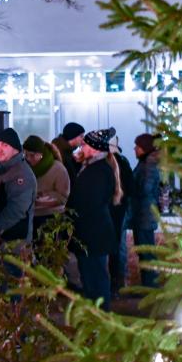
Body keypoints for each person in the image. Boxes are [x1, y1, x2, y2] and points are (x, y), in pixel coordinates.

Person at [67, 127, 122, 311]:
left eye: (85, 144)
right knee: (91, 277)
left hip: (93, 234)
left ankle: (100, 316)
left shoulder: (98, 171)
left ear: (95, 148)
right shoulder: (93, 168)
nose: (81, 147)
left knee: (95, 279)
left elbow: (88, 202)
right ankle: (96, 315)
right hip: (90, 233)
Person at [0, 127, 36, 252]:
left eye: (5, 145)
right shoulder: (6, 170)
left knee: (12, 271)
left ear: (15, 148)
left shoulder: (20, 173)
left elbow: (17, 209)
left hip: (12, 244)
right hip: (3, 241)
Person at [22, 135, 70, 240]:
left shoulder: (58, 169)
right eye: (26, 155)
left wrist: (39, 198)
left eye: (32, 155)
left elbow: (63, 197)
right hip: (29, 218)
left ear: (41, 154)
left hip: (51, 220)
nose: (29, 158)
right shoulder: (24, 168)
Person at [132, 133, 162, 290]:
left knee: (146, 252)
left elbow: (145, 188)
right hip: (143, 214)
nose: (134, 149)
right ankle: (148, 285)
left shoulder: (148, 165)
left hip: (144, 215)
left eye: (137, 146)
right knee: (144, 251)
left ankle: (150, 286)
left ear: (144, 148)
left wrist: (132, 189)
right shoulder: (146, 163)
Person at [108, 135, 135, 297]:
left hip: (116, 210)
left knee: (117, 247)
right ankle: (119, 282)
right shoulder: (123, 162)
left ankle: (117, 283)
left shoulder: (112, 164)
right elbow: (131, 187)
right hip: (121, 209)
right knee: (118, 246)